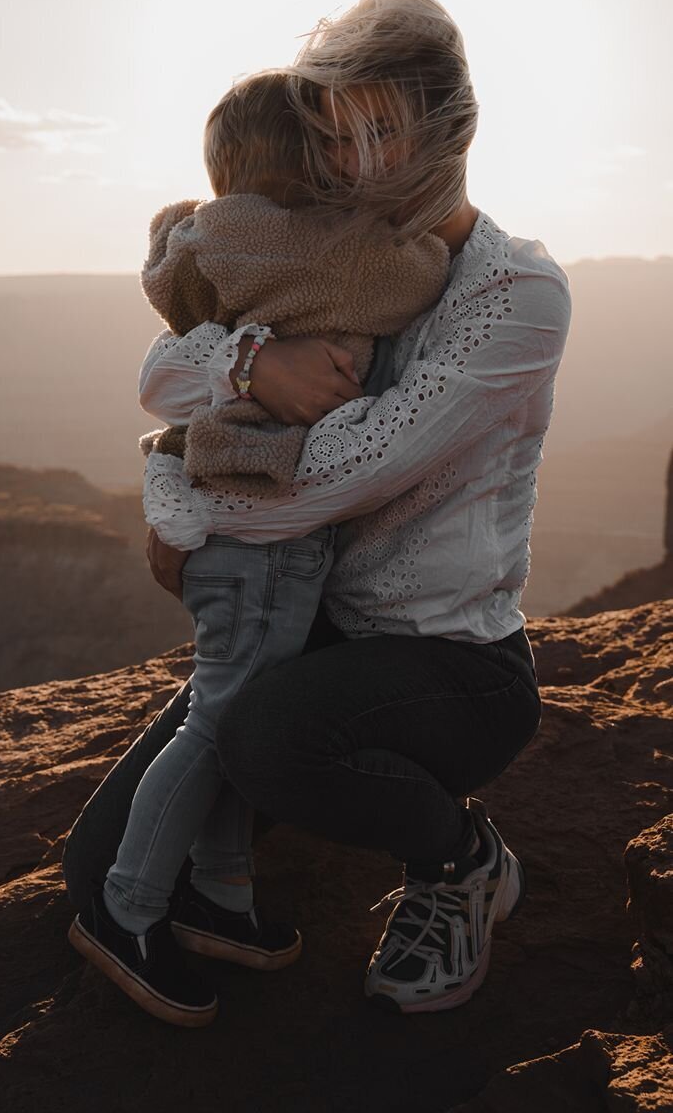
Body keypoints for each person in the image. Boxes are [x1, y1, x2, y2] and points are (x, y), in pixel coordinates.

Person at [63, 0, 571, 1020]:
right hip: (316, 634)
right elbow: (160, 375)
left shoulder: (513, 295)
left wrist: (187, 517)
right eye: (330, 137)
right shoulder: (325, 255)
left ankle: (458, 859)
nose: (348, 163)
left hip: (448, 662)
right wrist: (253, 366)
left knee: (263, 740)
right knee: (97, 866)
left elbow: (332, 480)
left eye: (375, 131)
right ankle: (222, 887)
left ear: (447, 128)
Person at [68, 69, 450, 1027]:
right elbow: (418, 276)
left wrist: (174, 230)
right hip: (260, 527)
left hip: (244, 518)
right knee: (221, 721)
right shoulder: (320, 249)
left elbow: (172, 287)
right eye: (336, 143)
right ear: (312, 158)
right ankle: (128, 909)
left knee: (239, 710)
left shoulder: (213, 241)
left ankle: (220, 893)